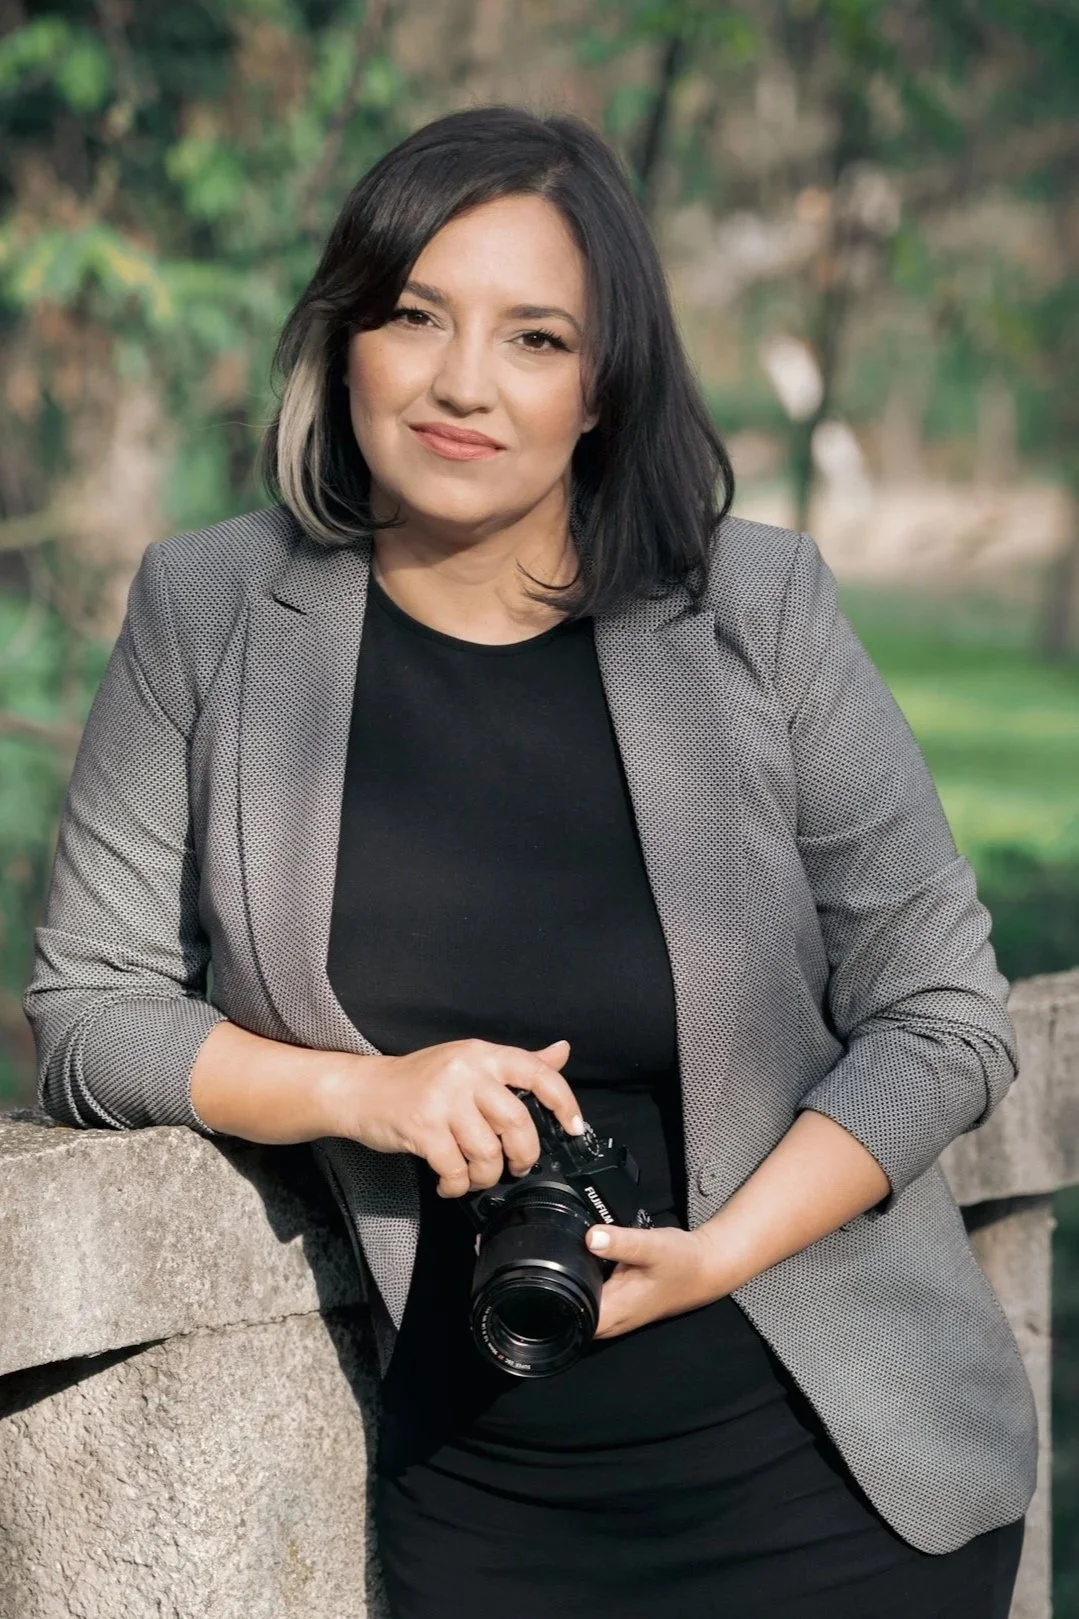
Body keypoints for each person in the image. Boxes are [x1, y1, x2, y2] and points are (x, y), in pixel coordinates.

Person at [23, 105, 1037, 1618]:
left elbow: (946, 1009)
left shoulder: (752, 608)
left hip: (836, 1475)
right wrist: (365, 1090)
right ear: (344, 338)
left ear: (603, 389)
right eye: (413, 315)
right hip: (487, 1501)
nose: (459, 383)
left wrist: (719, 1251)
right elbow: (88, 1006)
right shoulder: (210, 612)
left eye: (533, 338)